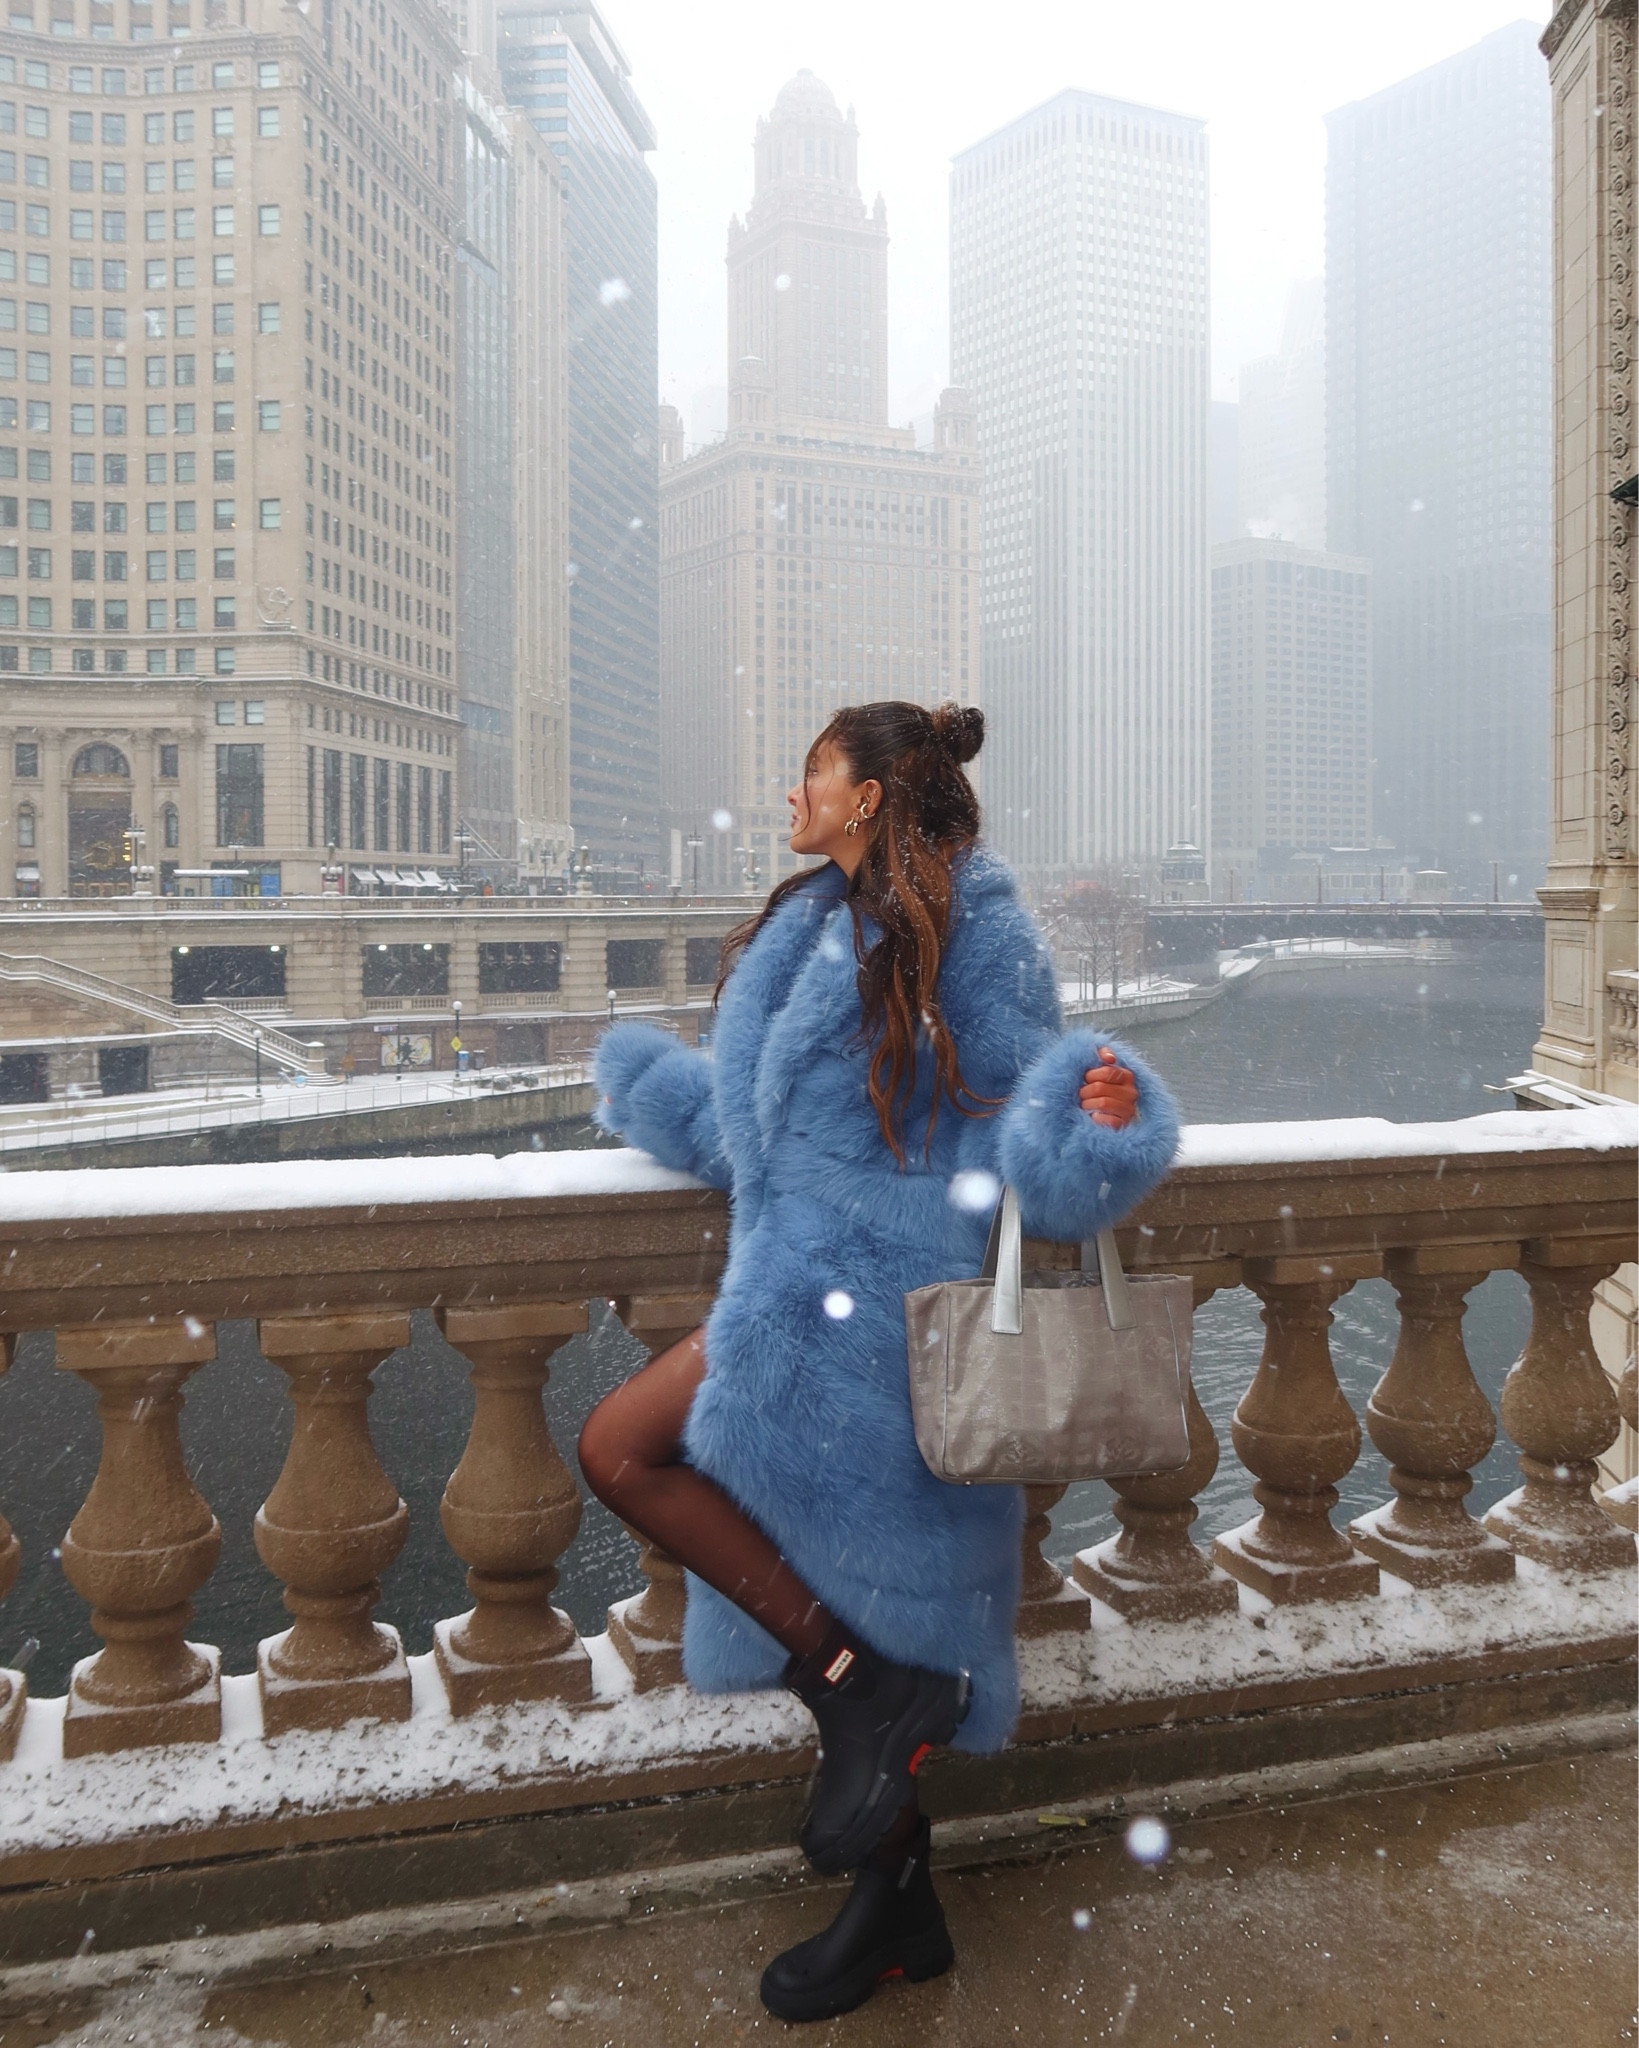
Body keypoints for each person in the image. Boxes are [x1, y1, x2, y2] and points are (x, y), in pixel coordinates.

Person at [580, 701, 1179, 2023]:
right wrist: (649, 1095)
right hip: (793, 1313)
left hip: (881, 1345)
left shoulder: (983, 929)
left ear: (867, 797)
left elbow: (1036, 1147)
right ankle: (895, 1885)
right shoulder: (810, 928)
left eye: (810, 773)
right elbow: (762, 1134)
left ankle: (876, 1761)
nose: (788, 794)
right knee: (839, 1632)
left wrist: (1104, 1118)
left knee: (623, 1447)